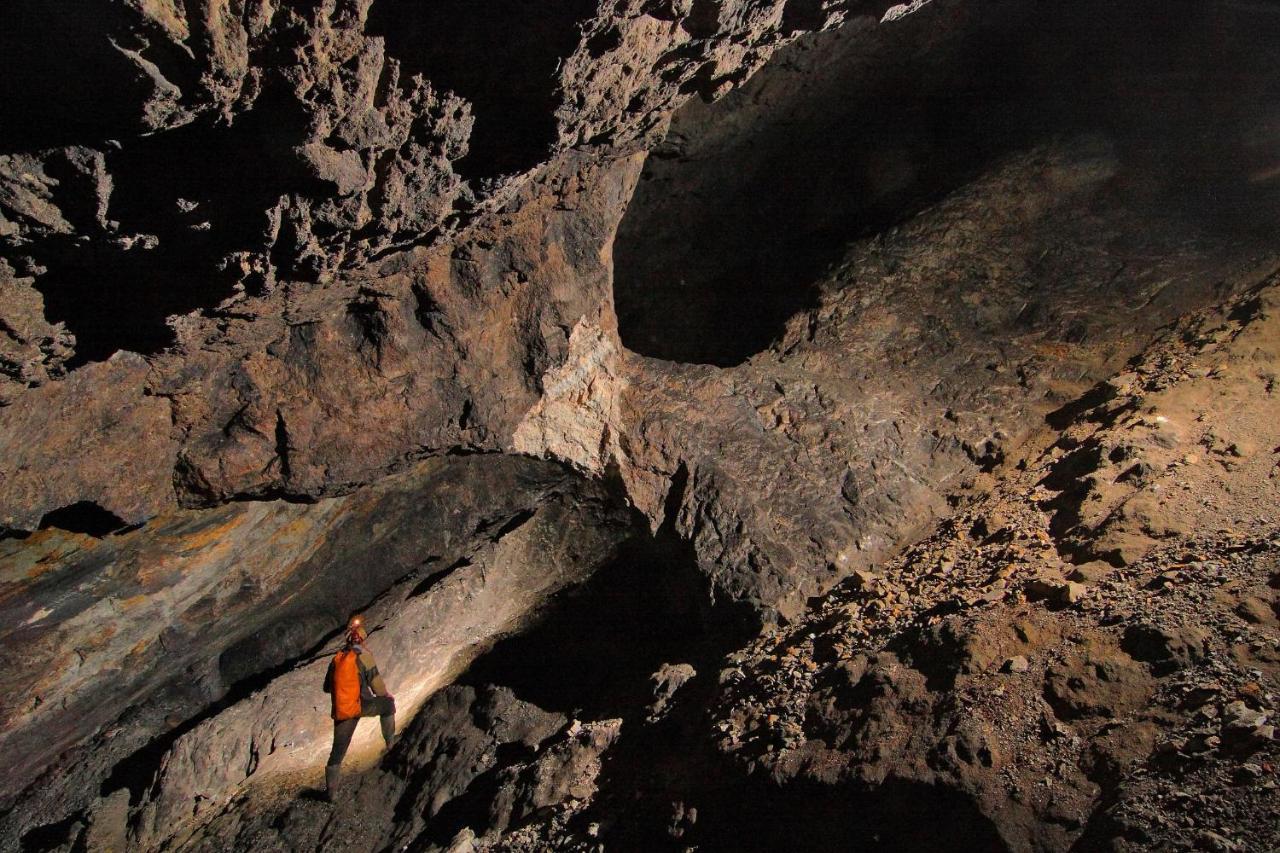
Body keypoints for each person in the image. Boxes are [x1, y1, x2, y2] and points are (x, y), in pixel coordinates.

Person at [321, 614, 396, 800]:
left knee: (337, 752)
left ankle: (331, 792)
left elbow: (326, 688)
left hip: (343, 711)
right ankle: (391, 745)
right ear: (362, 639)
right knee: (388, 705)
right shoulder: (364, 657)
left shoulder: (337, 660)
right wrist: (385, 696)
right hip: (363, 705)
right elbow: (377, 685)